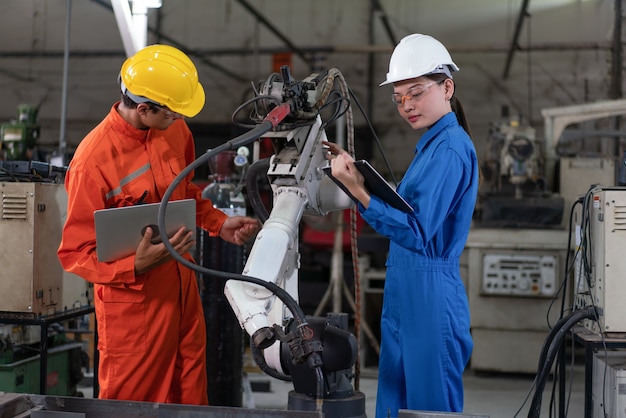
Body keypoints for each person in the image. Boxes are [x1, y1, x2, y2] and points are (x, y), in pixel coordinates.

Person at [57, 44, 260, 405]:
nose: (180, 120)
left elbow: (185, 196)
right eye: (172, 113)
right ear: (144, 108)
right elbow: (75, 253)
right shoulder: (92, 162)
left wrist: (219, 223)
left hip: (182, 293)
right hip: (133, 311)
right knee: (132, 407)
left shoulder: (175, 133)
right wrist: (134, 265)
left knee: (190, 398)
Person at [326, 33, 478, 416]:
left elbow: (417, 231)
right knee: (394, 404)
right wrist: (363, 179)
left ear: (447, 87)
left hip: (429, 295)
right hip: (406, 289)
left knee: (429, 407)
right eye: (398, 98)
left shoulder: (450, 149)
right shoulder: (430, 145)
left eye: (416, 92)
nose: (406, 105)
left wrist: (358, 191)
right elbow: (408, 211)